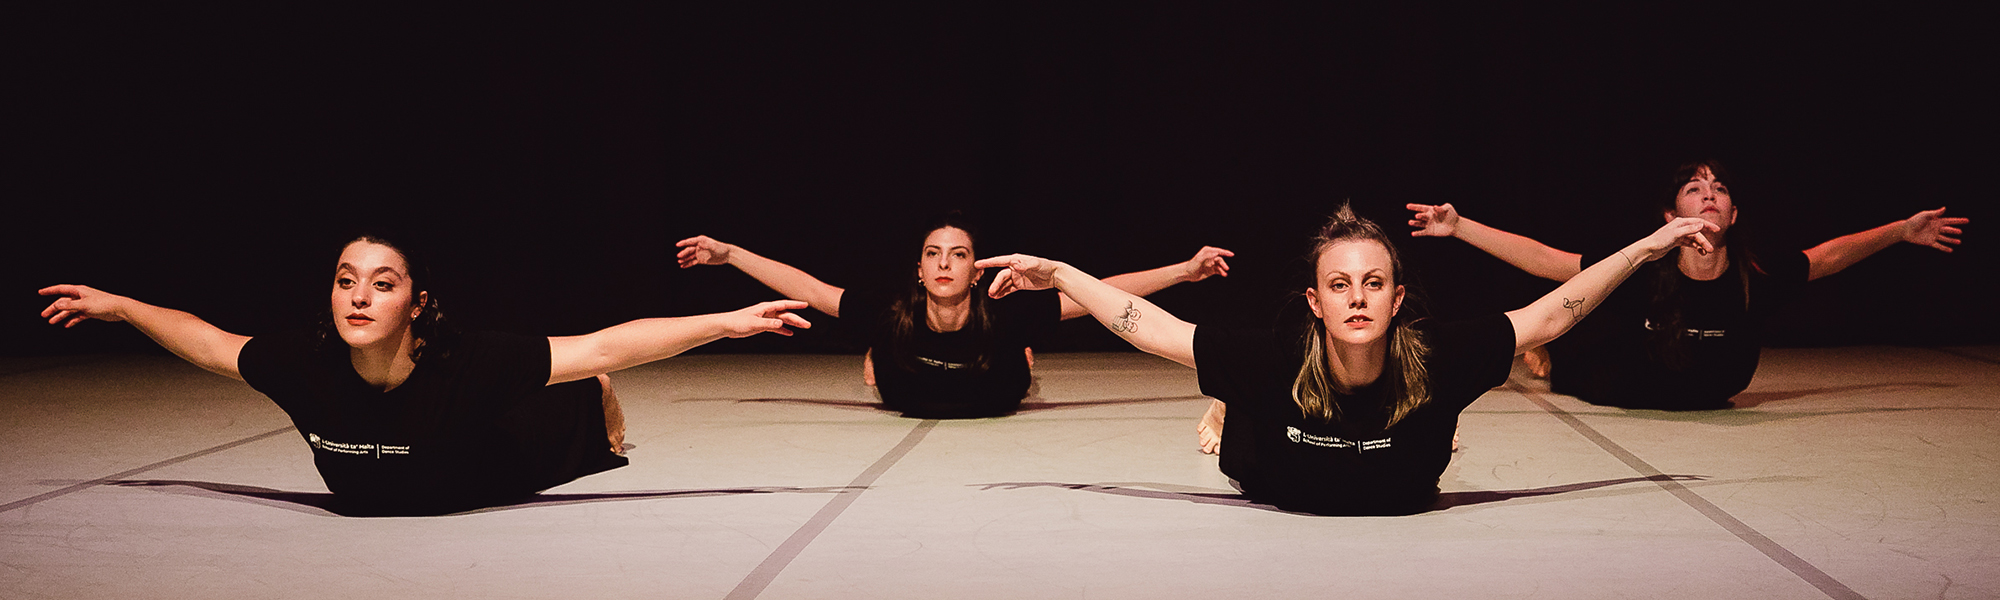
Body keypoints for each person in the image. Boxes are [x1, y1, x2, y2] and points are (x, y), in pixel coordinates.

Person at [973, 204, 1717, 515]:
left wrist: (1648, 248)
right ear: (1315, 301)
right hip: (1269, 455)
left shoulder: (1437, 353)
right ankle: (1225, 402)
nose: (1356, 297)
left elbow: (1553, 313)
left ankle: (1419, 418)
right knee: (1237, 398)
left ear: (1398, 299)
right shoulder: (1275, 357)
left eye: (1373, 283)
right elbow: (1154, 330)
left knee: (1431, 398)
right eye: (1338, 285)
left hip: (1401, 428)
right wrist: (1060, 273)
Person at [39, 233, 810, 516]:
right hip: (426, 465)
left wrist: (728, 321)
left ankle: (590, 408)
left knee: (583, 400)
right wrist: (121, 306)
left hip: (500, 461)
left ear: (416, 303)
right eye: (346, 281)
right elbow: (210, 344)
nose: (359, 297)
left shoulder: (467, 361)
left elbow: (606, 344)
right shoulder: (303, 363)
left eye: (382, 283)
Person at [1407, 160, 1969, 410]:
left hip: (1710, 396)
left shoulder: (1755, 275)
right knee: (1563, 359)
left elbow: (1829, 257)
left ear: (1734, 213)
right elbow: (1547, 262)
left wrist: (1901, 231)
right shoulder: (1644, 267)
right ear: (1671, 215)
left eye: (1719, 189)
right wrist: (1460, 227)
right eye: (1695, 189)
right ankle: (1548, 354)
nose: (1709, 195)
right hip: (1617, 383)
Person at [676, 213, 1233, 419]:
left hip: (999, 382)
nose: (945, 263)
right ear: (919, 270)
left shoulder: (1004, 312)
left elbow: (1100, 296)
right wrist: (731, 254)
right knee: (881, 340)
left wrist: (1184, 271)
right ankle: (880, 357)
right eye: (933, 254)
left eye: (959, 254)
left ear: (976, 270)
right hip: (905, 378)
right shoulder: (893, 312)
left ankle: (1021, 361)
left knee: (1024, 340)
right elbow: (813, 291)